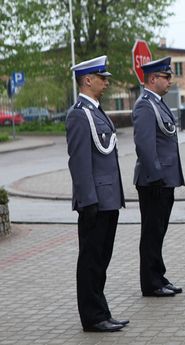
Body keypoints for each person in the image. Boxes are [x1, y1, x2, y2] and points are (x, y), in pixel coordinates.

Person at [66, 55, 128, 332]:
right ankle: (92, 317)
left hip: (108, 199)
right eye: (102, 78)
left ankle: (101, 311)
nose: (106, 83)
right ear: (87, 80)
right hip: (95, 202)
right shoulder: (79, 114)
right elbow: (79, 163)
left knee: (101, 260)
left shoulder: (96, 111)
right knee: (91, 261)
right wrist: (88, 200)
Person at [132, 56, 185, 297]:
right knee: (152, 233)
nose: (170, 81)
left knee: (158, 232)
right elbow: (144, 146)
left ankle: (158, 276)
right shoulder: (145, 105)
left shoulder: (158, 103)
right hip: (154, 181)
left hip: (164, 179)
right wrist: (156, 178)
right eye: (166, 77)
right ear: (153, 79)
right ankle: (151, 283)